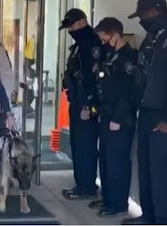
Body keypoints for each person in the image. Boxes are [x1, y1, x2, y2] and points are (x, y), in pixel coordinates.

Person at [123, 0, 167, 224]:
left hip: (165, 115)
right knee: (145, 169)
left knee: (162, 173)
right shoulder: (151, 36)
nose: (142, 21)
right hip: (145, 112)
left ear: (155, 10)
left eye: (143, 15)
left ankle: (165, 220)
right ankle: (149, 216)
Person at [92, 17, 137, 217]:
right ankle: (108, 199)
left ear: (115, 35)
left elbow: (127, 93)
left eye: (104, 39)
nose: (103, 44)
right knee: (107, 161)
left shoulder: (128, 58)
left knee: (118, 162)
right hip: (107, 114)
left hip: (120, 119)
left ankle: (118, 204)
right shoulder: (111, 57)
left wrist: (118, 118)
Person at [59, 8, 102, 200]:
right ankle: (81, 183)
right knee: (77, 144)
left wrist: (89, 105)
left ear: (82, 22)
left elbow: (92, 80)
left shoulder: (91, 43)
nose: (70, 30)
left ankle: (87, 186)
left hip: (86, 103)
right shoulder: (79, 45)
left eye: (71, 25)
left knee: (85, 145)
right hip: (76, 101)